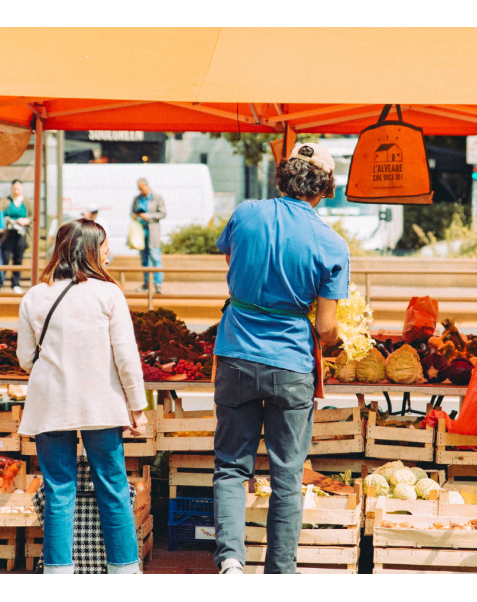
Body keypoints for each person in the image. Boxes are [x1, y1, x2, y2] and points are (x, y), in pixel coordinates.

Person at [211, 143, 348, 575]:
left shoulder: (245, 213)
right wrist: (339, 341)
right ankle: (280, 572)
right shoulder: (331, 243)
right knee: (288, 473)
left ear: (282, 176)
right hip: (290, 363)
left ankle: (231, 560)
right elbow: (326, 328)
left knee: (232, 466)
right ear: (325, 189)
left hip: (235, 352)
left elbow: (232, 266)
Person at [15, 218, 149, 574]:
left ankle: (58, 574)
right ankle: (123, 570)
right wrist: (138, 408)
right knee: (113, 487)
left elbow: (26, 357)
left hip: (50, 404)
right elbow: (126, 356)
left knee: (59, 490)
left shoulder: (34, 295)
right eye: (104, 245)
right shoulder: (108, 293)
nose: (109, 251)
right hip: (100, 404)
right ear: (90, 250)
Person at [130, 179, 166, 294]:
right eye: (139, 189)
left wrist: (148, 216)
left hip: (152, 231)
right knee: (144, 260)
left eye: (142, 188)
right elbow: (132, 212)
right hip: (140, 231)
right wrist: (136, 215)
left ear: (147, 186)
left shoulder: (157, 198)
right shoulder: (137, 199)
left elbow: (163, 213)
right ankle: (146, 284)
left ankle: (158, 284)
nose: (141, 191)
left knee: (155, 258)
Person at [0, 179, 30, 293]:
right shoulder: (6, 200)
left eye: (18, 189)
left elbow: (33, 216)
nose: (16, 191)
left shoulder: (27, 202)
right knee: (4, 258)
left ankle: (16, 283)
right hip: (7, 234)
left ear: (22, 189)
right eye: (14, 188)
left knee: (18, 259)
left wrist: (26, 220)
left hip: (20, 234)